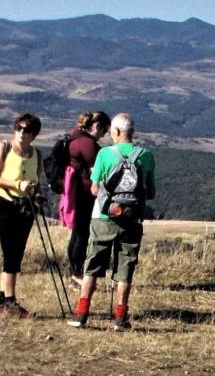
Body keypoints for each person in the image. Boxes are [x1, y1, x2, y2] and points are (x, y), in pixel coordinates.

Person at [67, 113, 156, 331]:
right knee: (125, 267)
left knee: (93, 265)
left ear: (116, 132)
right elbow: (150, 192)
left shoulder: (105, 154)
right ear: (132, 132)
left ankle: (81, 313)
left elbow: (95, 188)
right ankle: (120, 317)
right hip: (132, 219)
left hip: (104, 217)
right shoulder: (146, 155)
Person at [0, 113, 44, 317]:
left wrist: (37, 194)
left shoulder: (37, 154)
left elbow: (37, 181)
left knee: (16, 252)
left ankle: (3, 301)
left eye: (26, 130)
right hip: (4, 203)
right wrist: (18, 185)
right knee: (11, 252)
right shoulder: (5, 148)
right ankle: (10, 302)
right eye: (18, 128)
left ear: (34, 134)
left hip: (26, 207)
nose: (21, 132)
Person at [65, 111, 110, 287]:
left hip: (75, 192)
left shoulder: (75, 137)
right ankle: (77, 274)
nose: (103, 136)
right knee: (82, 234)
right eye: (103, 131)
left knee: (77, 232)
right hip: (83, 193)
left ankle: (74, 272)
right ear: (97, 126)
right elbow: (96, 170)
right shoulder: (88, 144)